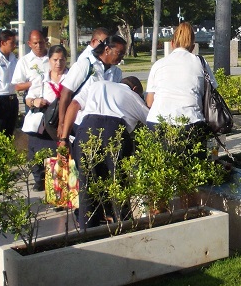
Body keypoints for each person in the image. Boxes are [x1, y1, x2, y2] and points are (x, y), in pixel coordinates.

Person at [62, 76, 148, 228]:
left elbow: (74, 104)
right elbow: (151, 119)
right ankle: (123, 228)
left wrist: (64, 138)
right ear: (135, 89)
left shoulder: (97, 85)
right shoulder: (133, 96)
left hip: (86, 131)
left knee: (87, 188)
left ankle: (87, 233)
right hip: (114, 133)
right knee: (117, 186)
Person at [145, 22, 215, 144]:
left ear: (172, 44)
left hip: (157, 122)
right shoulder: (200, 62)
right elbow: (212, 92)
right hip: (190, 120)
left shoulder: (158, 64)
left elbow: (150, 101)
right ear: (193, 47)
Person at [56, 34, 127, 141]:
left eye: (123, 54)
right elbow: (65, 93)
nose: (121, 57)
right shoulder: (86, 64)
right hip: (78, 123)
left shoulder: (117, 72)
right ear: (107, 49)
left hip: (102, 127)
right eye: (119, 53)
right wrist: (62, 123)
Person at [23, 44, 68, 191]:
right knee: (44, 155)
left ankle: (59, 193)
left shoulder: (71, 78)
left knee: (61, 158)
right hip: (46, 123)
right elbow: (28, 99)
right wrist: (34, 101)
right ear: (49, 60)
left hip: (65, 122)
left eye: (61, 60)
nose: (58, 63)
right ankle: (43, 182)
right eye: (55, 60)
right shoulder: (41, 79)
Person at [11, 29, 49, 97]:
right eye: (35, 43)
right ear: (29, 44)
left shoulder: (54, 58)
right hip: (33, 102)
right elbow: (17, 86)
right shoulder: (24, 61)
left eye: (41, 42)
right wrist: (35, 82)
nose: (38, 46)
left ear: (45, 41)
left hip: (54, 102)